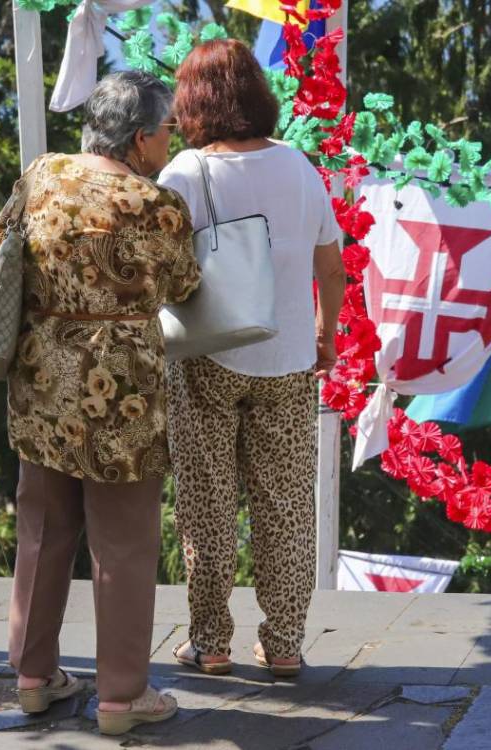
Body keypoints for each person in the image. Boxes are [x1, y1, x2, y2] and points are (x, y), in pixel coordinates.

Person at [0, 71, 200, 735]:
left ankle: (31, 675)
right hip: (122, 394)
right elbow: (186, 284)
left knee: (43, 526)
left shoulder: (43, 173)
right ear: (140, 138)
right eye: (168, 131)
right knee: (124, 542)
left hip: (43, 377)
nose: (172, 142)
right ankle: (121, 696)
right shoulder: (155, 204)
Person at [158, 39, 346, 678]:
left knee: (207, 502)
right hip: (290, 357)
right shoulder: (299, 166)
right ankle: (286, 643)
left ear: (194, 102)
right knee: (287, 506)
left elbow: (161, 266)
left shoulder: (183, 173)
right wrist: (326, 334)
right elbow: (331, 263)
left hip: (208, 354)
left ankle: (209, 642)